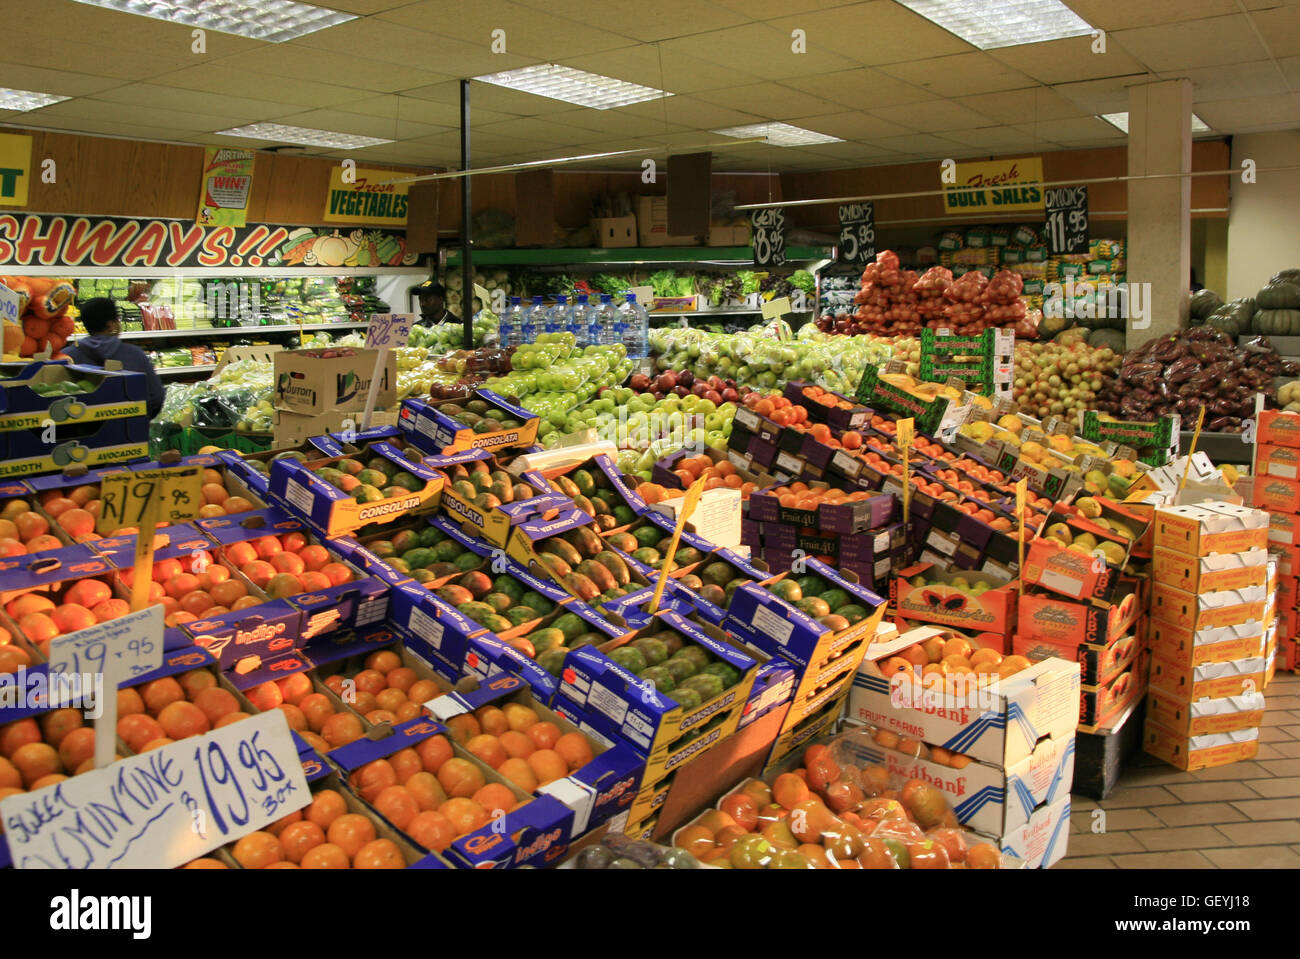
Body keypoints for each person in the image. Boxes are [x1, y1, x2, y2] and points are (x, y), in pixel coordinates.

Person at [63, 297, 165, 419]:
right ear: (111, 325)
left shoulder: (67, 356)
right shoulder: (135, 355)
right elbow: (157, 398)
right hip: (130, 430)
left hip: (83, 430)